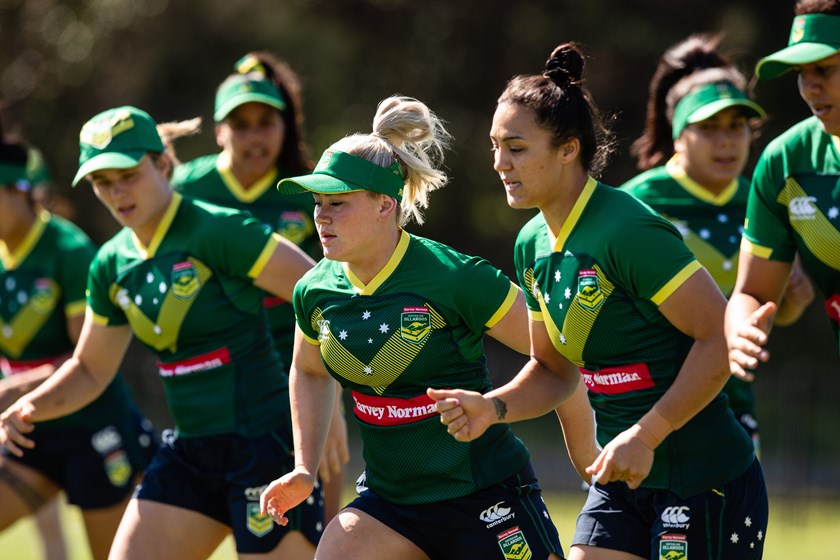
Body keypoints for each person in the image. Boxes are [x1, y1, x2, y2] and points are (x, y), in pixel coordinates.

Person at [431, 43, 769, 560]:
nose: (499, 163)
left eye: (517, 148)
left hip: (703, 480)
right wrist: (493, 407)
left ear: (568, 148)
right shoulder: (532, 244)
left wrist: (647, 433)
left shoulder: (628, 229)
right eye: (495, 146)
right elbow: (553, 368)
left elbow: (718, 336)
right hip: (622, 478)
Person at [259, 95, 598, 560]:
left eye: (337, 202)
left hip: (484, 497)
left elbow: (560, 360)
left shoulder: (456, 277)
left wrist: (587, 459)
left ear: (384, 204)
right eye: (318, 203)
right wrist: (303, 467)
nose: (321, 216)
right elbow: (311, 371)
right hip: (389, 505)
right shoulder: (314, 290)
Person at [0, 105, 326, 559]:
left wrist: (321, 422)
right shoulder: (110, 263)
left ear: (162, 164)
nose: (116, 193)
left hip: (267, 449)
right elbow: (91, 369)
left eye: (128, 175)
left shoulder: (220, 230)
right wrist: (29, 405)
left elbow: (323, 296)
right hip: (190, 454)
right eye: (101, 183)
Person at [170, 52, 348, 520]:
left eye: (266, 121)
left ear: (285, 126)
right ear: (219, 130)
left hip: (296, 370)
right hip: (216, 384)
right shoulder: (186, 188)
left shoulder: (308, 190)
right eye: (240, 123)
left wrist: (332, 408)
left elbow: (336, 288)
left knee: (323, 522)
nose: (254, 135)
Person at [620, 33, 815, 455]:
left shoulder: (763, 198)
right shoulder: (634, 202)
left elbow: (768, 313)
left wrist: (794, 299)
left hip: (730, 403)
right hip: (638, 400)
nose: (727, 141)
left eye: (737, 126)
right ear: (677, 134)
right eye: (709, 128)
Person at [0, 138, 158, 560]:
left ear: (18, 190)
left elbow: (85, 359)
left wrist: (12, 388)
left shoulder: (68, 252)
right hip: (30, 432)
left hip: (94, 429)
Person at [727, 0, 840, 374]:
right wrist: (741, 329)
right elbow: (751, 293)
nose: (809, 86)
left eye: (823, 69)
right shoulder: (787, 163)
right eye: (800, 73)